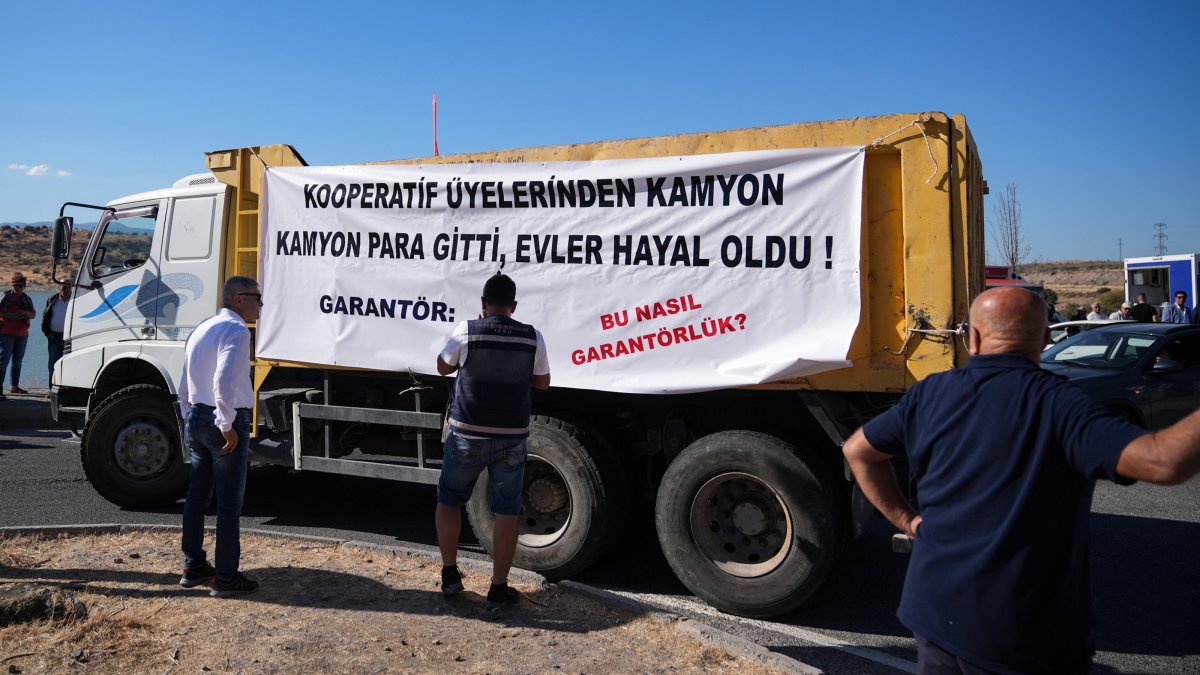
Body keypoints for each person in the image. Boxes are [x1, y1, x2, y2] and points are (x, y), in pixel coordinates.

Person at [842, 287, 1200, 675]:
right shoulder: (1062, 404)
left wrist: (908, 521)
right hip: (1021, 632)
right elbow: (1163, 462)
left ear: (973, 338)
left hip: (933, 612)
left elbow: (858, 451)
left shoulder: (929, 393)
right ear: (1045, 339)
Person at [434, 273, 550, 618]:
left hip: (467, 434)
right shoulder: (532, 336)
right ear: (514, 306)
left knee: (449, 499)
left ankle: (450, 574)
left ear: (483, 304)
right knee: (506, 511)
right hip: (511, 436)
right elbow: (543, 383)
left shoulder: (467, 330)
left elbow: (442, 367)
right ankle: (498, 590)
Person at [177, 276, 263, 597]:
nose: (261, 304)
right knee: (228, 503)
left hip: (198, 415)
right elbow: (224, 380)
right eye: (257, 297)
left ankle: (193, 565)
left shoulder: (203, 327)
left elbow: (184, 377)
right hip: (221, 419)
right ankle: (226, 577)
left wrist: (188, 413)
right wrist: (226, 424)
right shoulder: (237, 330)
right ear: (238, 298)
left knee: (196, 497)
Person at [0, 272, 37, 398]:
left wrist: (24, 312)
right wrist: (9, 315)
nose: (17, 287)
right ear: (12, 285)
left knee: (17, 362)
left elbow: (33, 315)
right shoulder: (5, 296)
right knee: (3, 361)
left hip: (22, 335)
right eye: (15, 285)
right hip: (6, 334)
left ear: (24, 286)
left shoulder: (27, 299)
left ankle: (14, 387)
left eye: (20, 285)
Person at [42, 280, 73, 384]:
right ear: (60, 288)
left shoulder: (75, 300)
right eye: (63, 286)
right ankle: (52, 387)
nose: (65, 288)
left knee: (69, 362)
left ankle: (67, 386)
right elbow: (45, 317)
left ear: (71, 287)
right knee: (53, 364)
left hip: (70, 338)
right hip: (54, 337)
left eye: (67, 286)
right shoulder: (52, 300)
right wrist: (47, 333)